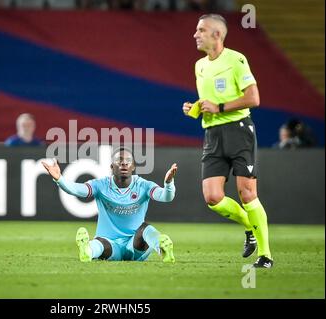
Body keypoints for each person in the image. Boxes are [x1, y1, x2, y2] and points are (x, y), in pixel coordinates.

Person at [182, 14, 273, 268]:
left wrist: (220, 107)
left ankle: (265, 256)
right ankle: (250, 227)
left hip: (239, 130)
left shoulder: (236, 60)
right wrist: (196, 109)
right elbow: (208, 102)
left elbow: (253, 98)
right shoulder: (199, 65)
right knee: (212, 197)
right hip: (212, 135)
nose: (195, 34)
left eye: (201, 30)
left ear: (217, 35)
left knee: (247, 193)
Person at [42, 148, 177, 263]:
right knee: (100, 243)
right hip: (111, 245)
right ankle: (88, 251)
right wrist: (59, 179)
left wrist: (168, 183)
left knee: (145, 228)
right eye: (119, 160)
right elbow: (76, 189)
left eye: (128, 161)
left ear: (134, 166)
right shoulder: (101, 185)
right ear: (112, 167)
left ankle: (163, 248)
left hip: (135, 245)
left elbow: (166, 196)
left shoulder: (143, 185)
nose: (124, 163)